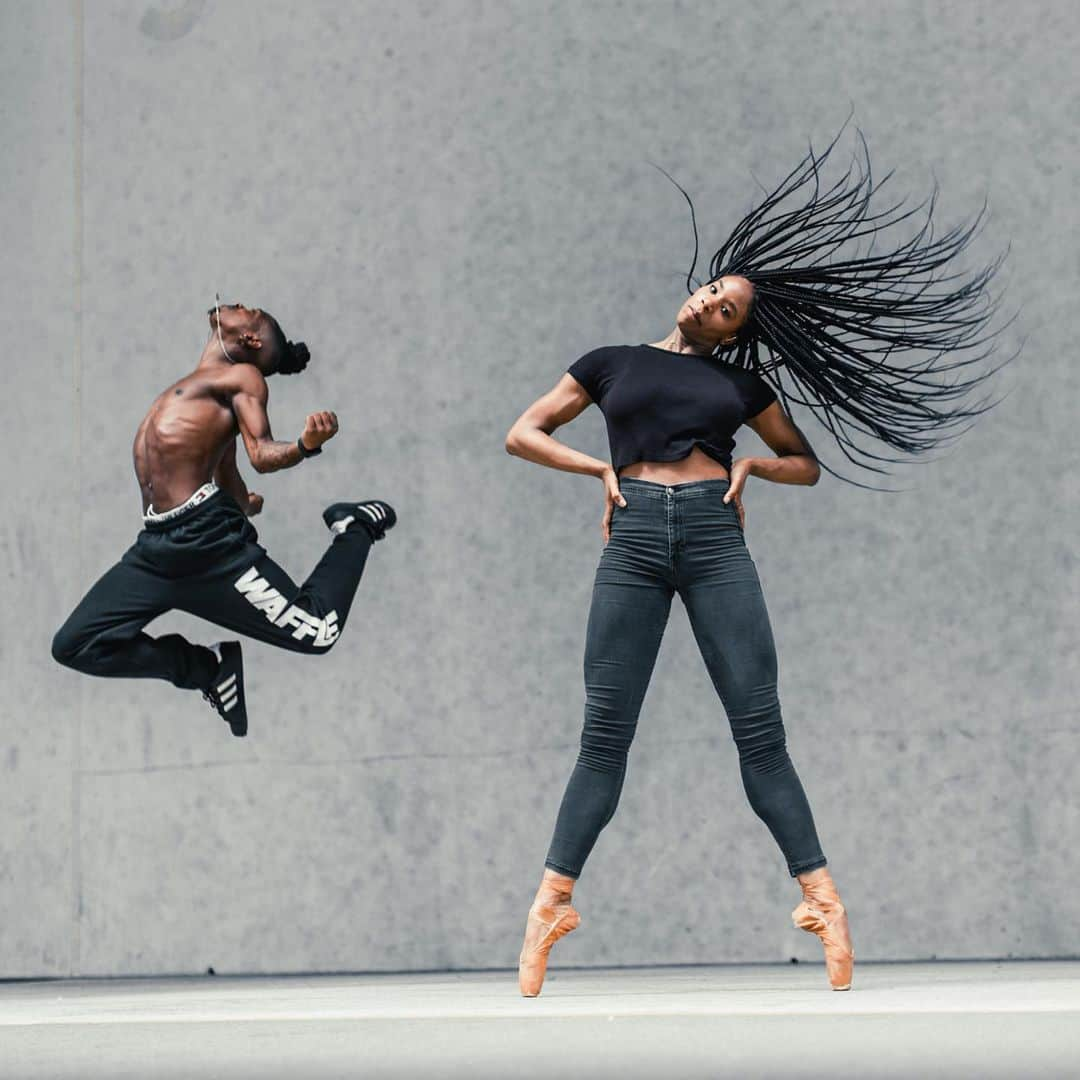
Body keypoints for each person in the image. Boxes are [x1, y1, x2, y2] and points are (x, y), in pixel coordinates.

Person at [504, 123, 1015, 996]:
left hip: (710, 536)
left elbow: (806, 466)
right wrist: (599, 468)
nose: (708, 304)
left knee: (759, 731)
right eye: (711, 291)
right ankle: (551, 903)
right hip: (632, 538)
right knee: (604, 735)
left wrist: (749, 463)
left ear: (736, 333)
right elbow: (522, 433)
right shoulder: (610, 362)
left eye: (727, 309)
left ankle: (823, 901)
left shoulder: (740, 387)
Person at [51, 298, 396, 738]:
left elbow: (261, 454)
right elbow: (227, 469)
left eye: (249, 310)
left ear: (249, 339)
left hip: (205, 544)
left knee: (318, 630)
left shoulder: (242, 377)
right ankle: (208, 669)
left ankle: (356, 527)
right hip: (157, 549)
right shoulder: (199, 386)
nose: (237, 303)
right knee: (75, 646)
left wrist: (305, 445)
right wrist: (243, 503)